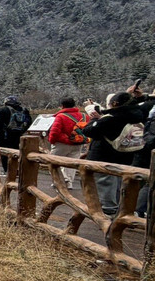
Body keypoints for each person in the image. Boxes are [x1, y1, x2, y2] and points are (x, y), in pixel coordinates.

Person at [83, 89, 155, 217]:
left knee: (105, 186)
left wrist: (93, 119)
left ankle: (108, 214)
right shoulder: (137, 115)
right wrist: (141, 98)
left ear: (115, 104)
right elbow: (145, 105)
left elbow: (89, 131)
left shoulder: (111, 119)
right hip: (125, 156)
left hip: (104, 157)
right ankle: (119, 212)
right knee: (118, 186)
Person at [46, 97, 87, 189]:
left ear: (62, 106)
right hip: (78, 143)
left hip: (62, 143)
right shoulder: (84, 116)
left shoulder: (60, 116)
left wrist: (52, 141)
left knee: (54, 162)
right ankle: (69, 182)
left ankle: (59, 180)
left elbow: (55, 132)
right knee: (71, 164)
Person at [0, 95, 31, 173]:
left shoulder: (3, 110)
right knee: (16, 152)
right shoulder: (23, 110)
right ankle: (16, 169)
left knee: (4, 153)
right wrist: (22, 131)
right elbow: (29, 122)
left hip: (4, 135)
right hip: (18, 135)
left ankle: (7, 171)